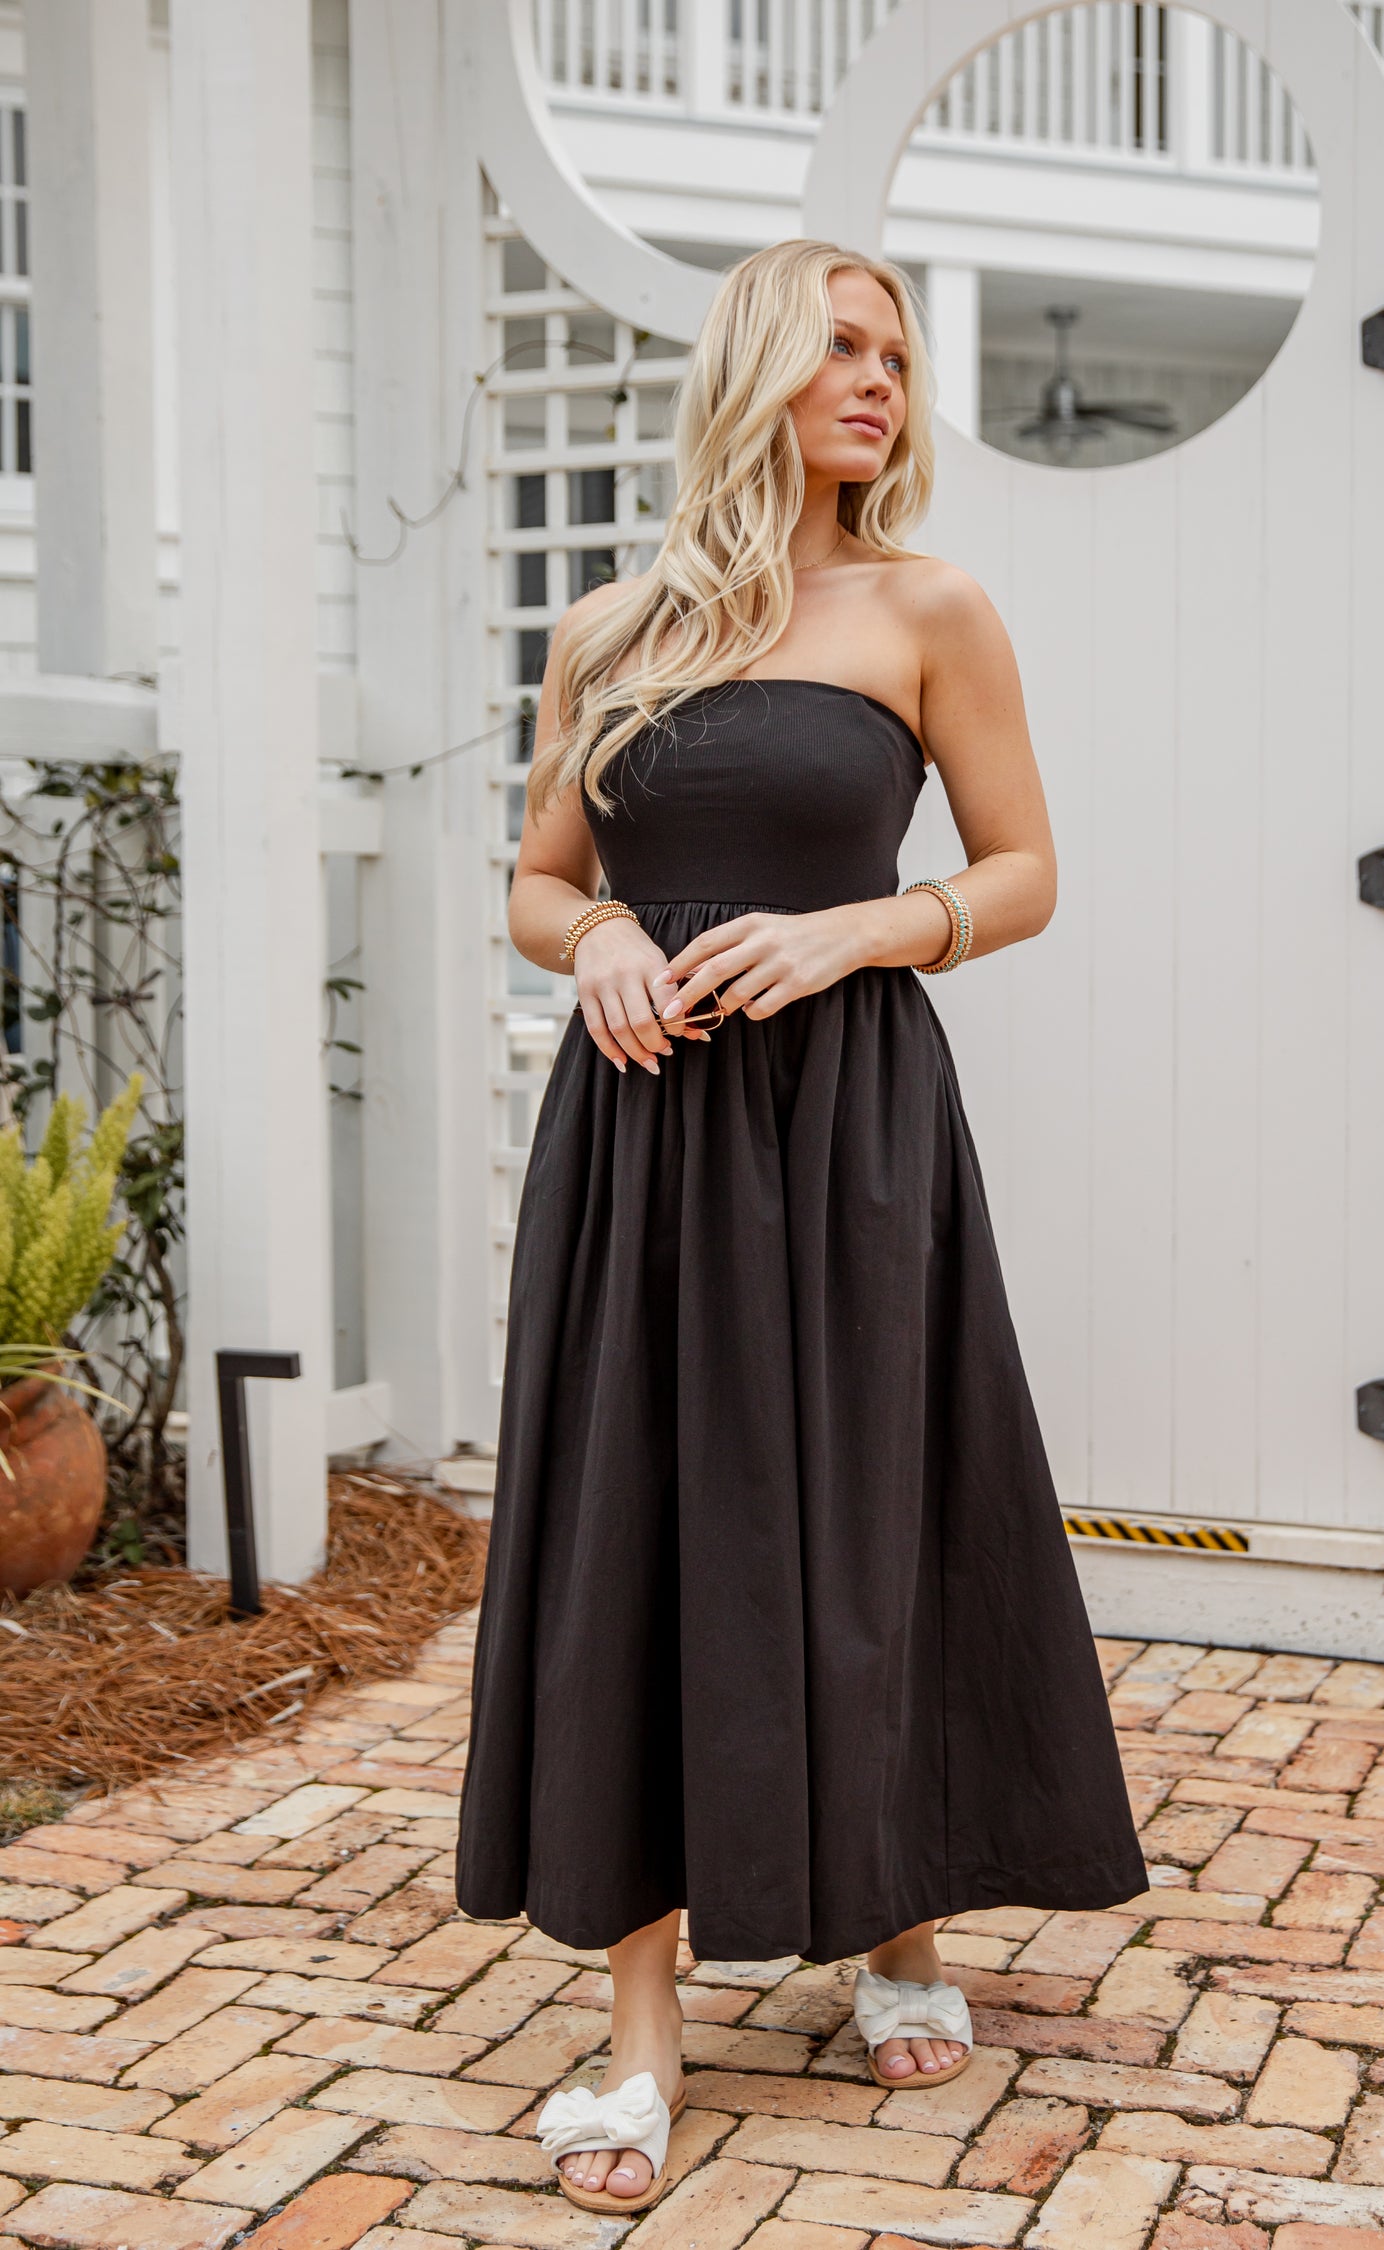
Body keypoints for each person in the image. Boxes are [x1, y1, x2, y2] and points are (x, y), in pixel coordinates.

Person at [455, 238, 1148, 2215]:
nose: (879, 383)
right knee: (637, 1534)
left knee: (874, 1511)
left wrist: (860, 930)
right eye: (842, 346)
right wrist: (595, 933)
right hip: (645, 1139)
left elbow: (1024, 870)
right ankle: (639, 2031)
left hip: (851, 1130)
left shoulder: (930, 609)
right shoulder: (609, 629)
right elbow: (534, 878)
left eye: (895, 358)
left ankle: (897, 1923)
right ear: (755, 365)